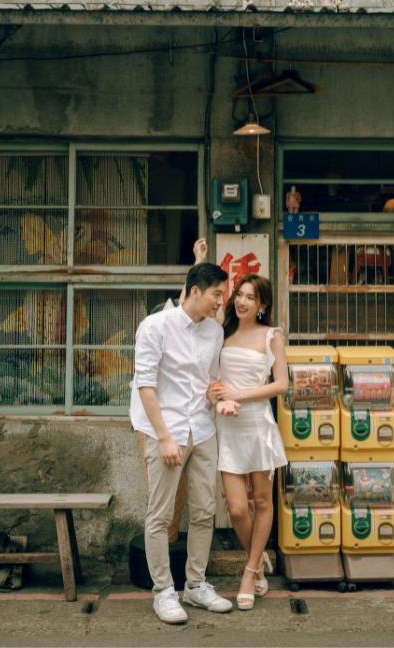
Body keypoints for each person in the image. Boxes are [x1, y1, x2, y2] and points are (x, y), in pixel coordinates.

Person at [130, 262, 233, 625]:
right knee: (160, 515)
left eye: (223, 295)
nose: (222, 302)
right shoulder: (155, 326)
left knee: (205, 511)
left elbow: (207, 380)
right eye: (217, 295)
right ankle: (163, 591)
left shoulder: (215, 332)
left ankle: (196, 585)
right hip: (167, 428)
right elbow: (145, 385)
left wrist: (215, 392)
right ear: (194, 291)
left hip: (202, 428)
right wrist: (163, 438)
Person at [206, 274, 288, 610]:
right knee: (238, 508)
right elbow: (210, 381)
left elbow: (281, 384)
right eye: (239, 295)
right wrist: (217, 396)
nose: (241, 302)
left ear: (262, 305)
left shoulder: (272, 336)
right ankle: (257, 560)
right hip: (228, 429)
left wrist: (240, 394)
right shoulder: (221, 332)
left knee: (263, 503)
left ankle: (250, 571)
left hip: (258, 427)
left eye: (250, 298)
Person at [138, 237, 210, 544]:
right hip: (158, 423)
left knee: (190, 506)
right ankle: (162, 574)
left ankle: (181, 575)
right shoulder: (155, 331)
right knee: (162, 507)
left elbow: (188, 300)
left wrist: (198, 262)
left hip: (189, 422)